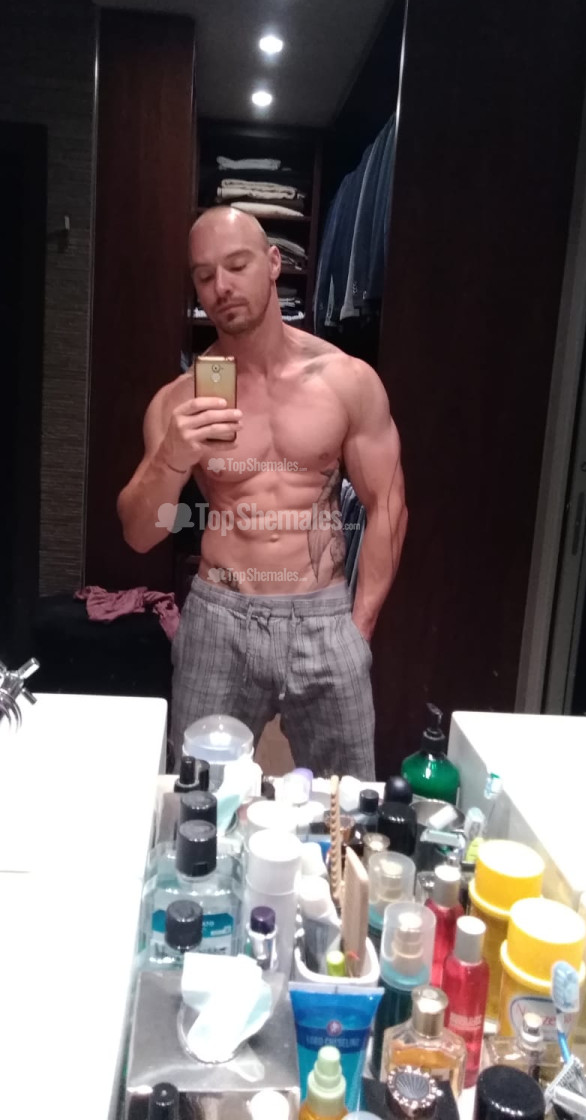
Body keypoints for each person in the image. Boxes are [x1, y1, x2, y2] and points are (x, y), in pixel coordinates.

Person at [118, 206, 407, 777]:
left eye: (237, 265)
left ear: (273, 262)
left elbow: (388, 504)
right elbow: (140, 535)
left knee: (344, 802)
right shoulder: (180, 400)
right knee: (201, 799)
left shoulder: (345, 379)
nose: (222, 287)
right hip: (220, 619)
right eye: (205, 275)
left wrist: (360, 629)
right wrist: (173, 455)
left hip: (325, 616)